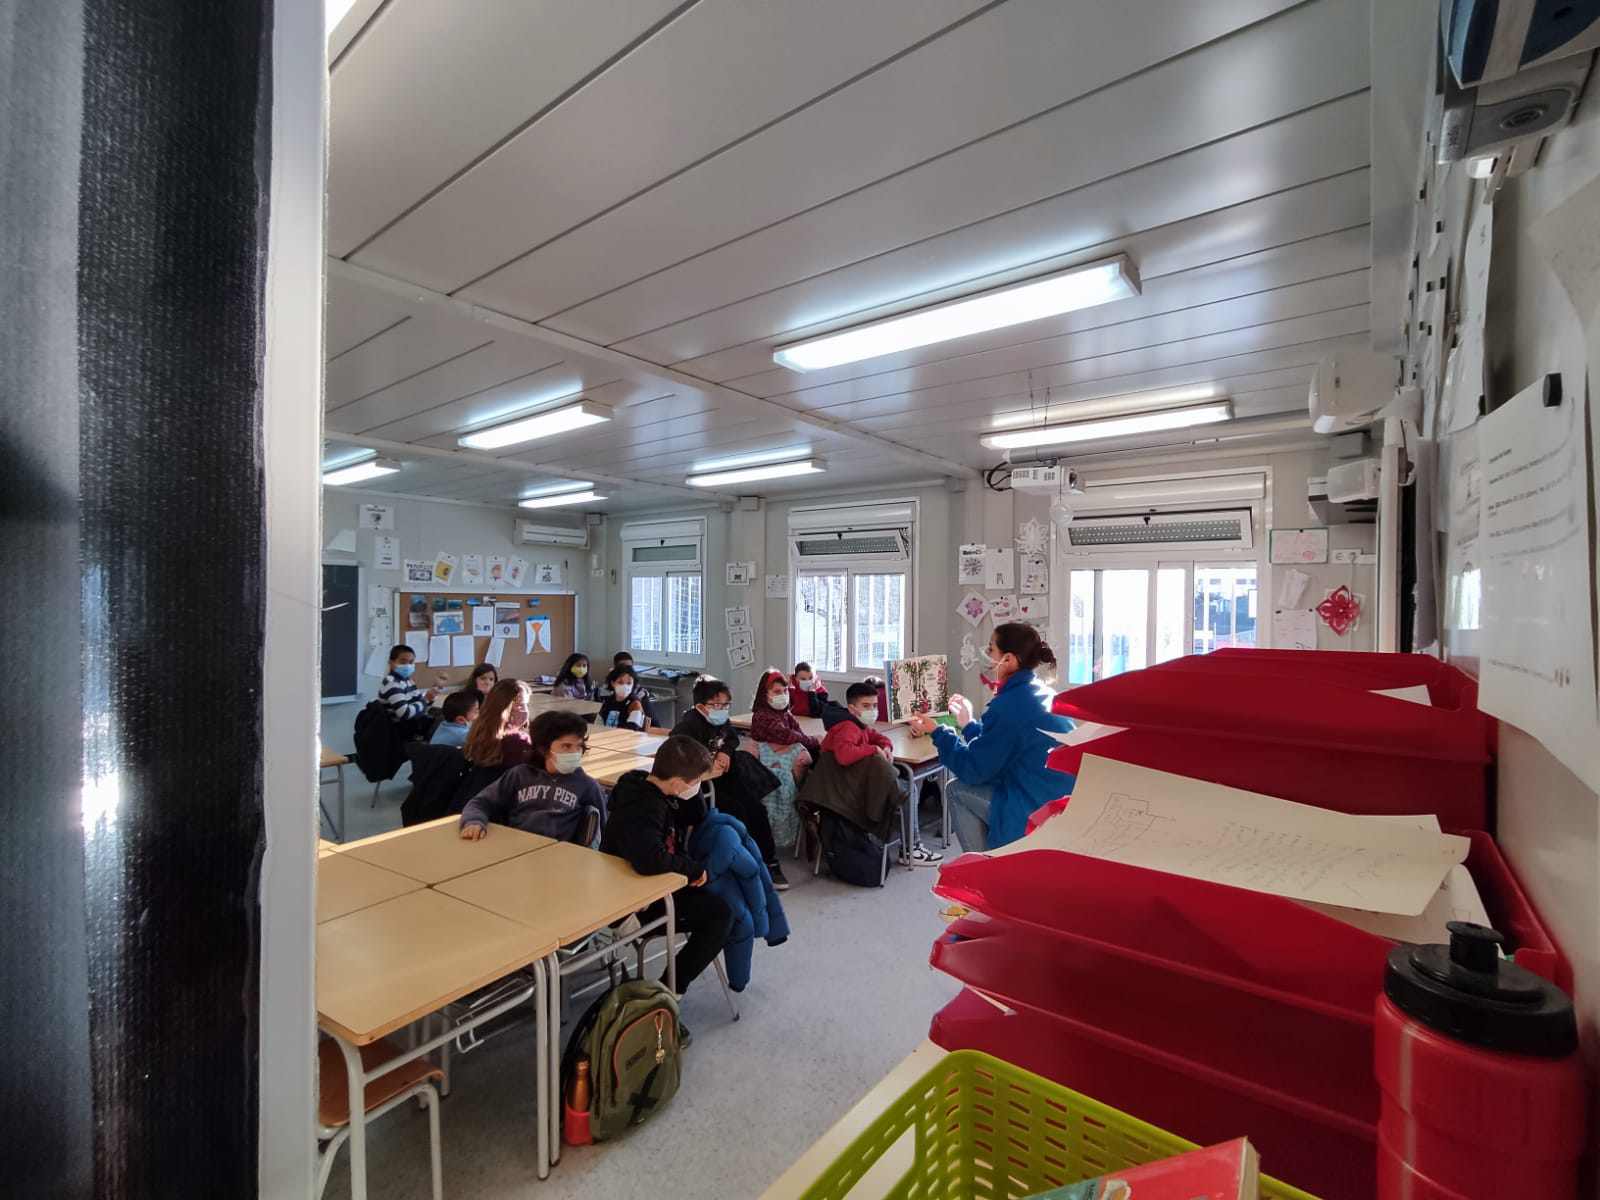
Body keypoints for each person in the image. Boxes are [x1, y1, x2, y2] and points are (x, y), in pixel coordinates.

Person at [602, 736, 735, 1028]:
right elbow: (650, 860)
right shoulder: (642, 806)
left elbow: (697, 814)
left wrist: (689, 788)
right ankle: (667, 993)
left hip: (654, 886)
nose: (698, 786)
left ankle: (668, 989)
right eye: (696, 782)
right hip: (633, 904)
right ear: (676, 783)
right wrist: (693, 870)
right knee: (721, 916)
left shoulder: (659, 791)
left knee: (722, 902)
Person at [908, 622, 1074, 852]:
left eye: (990, 649)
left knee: (956, 789)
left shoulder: (1010, 705)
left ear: (1009, 659)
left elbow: (974, 770)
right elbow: (999, 747)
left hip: (1038, 805)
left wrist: (938, 732)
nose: (986, 656)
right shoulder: (1039, 692)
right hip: (1062, 799)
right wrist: (968, 724)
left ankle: (984, 866)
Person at [672, 676, 787, 890]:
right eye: (717, 705)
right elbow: (677, 751)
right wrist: (705, 762)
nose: (723, 709)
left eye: (726, 705)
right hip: (702, 786)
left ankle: (770, 861)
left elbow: (732, 738)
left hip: (725, 778)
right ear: (701, 707)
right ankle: (745, 864)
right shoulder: (688, 725)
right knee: (736, 813)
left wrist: (725, 751)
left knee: (756, 809)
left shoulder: (721, 720)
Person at [459, 711, 604, 844]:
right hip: (514, 845)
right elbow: (481, 802)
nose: (575, 753)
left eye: (579, 746)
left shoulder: (587, 786)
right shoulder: (519, 775)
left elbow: (603, 829)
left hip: (558, 853)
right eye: (566, 746)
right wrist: (474, 821)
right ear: (543, 749)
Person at [747, 669, 818, 856]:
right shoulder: (761, 716)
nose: (783, 695)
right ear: (765, 694)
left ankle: (809, 809)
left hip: (785, 757)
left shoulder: (786, 714)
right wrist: (814, 741)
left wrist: (808, 741)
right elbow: (787, 735)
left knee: (813, 760)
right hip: (767, 762)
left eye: (785, 691)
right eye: (777, 692)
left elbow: (797, 733)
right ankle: (807, 811)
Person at [463, 678, 533, 767]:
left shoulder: (478, 729)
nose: (526, 710)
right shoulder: (517, 740)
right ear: (506, 709)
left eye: (527, 705)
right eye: (521, 705)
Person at [378, 644, 440, 739]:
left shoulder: (408, 681)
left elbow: (421, 704)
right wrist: (425, 700)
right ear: (391, 662)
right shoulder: (392, 683)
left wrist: (430, 697)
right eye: (403, 662)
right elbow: (405, 713)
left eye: (411, 662)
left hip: (411, 726)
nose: (407, 665)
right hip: (399, 732)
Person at [597, 665, 657, 729]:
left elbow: (633, 729)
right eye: (620, 682)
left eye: (629, 683)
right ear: (612, 683)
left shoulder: (635, 704)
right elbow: (599, 722)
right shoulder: (608, 700)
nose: (625, 686)